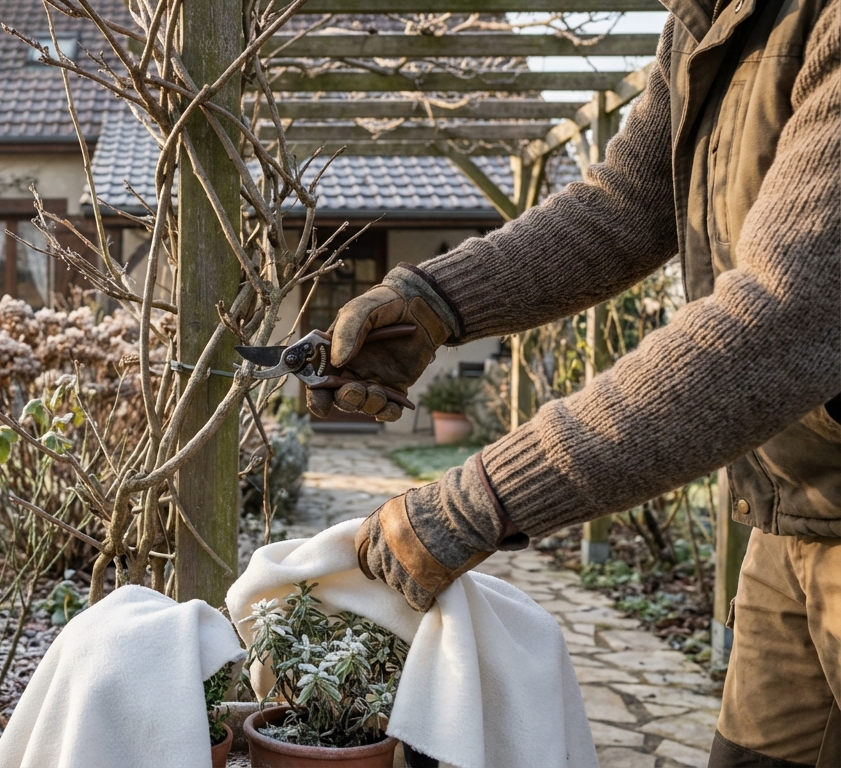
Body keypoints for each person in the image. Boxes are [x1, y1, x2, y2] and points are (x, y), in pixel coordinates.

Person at [309, 0, 841, 764]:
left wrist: (483, 497)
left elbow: (784, 318)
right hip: (796, 515)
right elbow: (622, 206)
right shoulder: (704, 23)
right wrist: (432, 303)